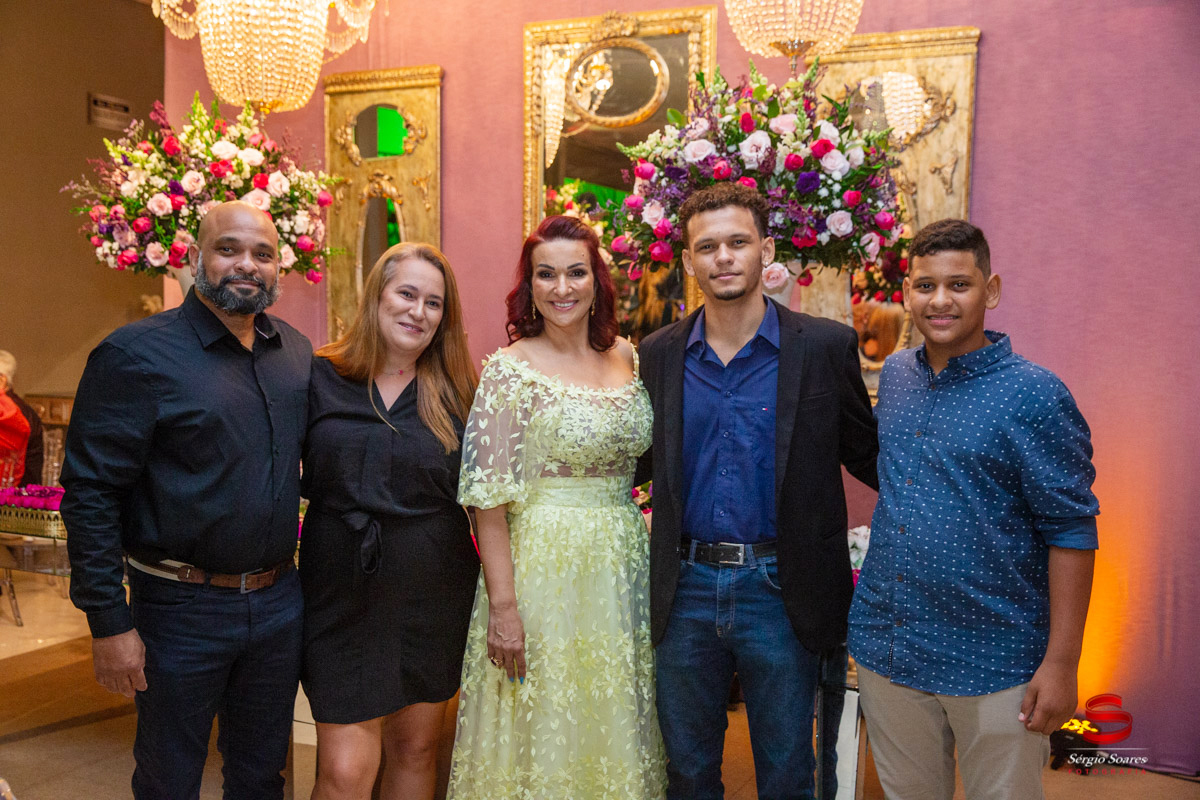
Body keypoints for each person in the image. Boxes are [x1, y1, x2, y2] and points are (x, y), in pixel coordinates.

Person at [60, 201, 312, 799]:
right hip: (179, 610)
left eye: (263, 254)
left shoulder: (296, 354)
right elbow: (91, 494)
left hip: (278, 605)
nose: (246, 264)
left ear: (279, 268)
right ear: (196, 257)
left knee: (261, 777)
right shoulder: (134, 356)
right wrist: (108, 622)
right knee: (168, 780)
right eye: (228, 249)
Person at [636, 182, 879, 800]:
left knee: (787, 772)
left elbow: (873, 458)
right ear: (688, 261)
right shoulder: (657, 355)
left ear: (765, 250)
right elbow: (631, 465)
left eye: (738, 242)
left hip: (782, 589)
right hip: (684, 590)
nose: (723, 257)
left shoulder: (823, 347)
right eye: (707, 246)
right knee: (687, 774)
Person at [848, 219, 1099, 800]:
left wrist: (1062, 663)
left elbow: (1071, 531)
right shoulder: (898, 375)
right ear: (906, 293)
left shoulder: (1035, 393)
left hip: (994, 658)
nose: (940, 300)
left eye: (958, 284)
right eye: (925, 285)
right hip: (891, 647)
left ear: (991, 290)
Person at [447, 215, 666, 799]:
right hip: (541, 571)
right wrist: (504, 608)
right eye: (546, 275)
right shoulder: (510, 369)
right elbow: (488, 502)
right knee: (544, 720)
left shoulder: (629, 357)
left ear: (597, 281)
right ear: (530, 285)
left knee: (612, 716)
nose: (562, 288)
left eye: (576, 273)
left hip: (620, 565)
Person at [300, 243, 480, 800]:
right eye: (407, 294)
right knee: (344, 772)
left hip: (434, 591)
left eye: (434, 303)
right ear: (377, 296)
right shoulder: (320, 376)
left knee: (416, 751)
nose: (418, 312)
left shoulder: (460, 392)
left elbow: (488, 502)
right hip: (340, 592)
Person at [0, 351, 43, 486]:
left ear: (2, 380)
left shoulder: (10, 413)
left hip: (12, 493)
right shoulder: (27, 411)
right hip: (26, 493)